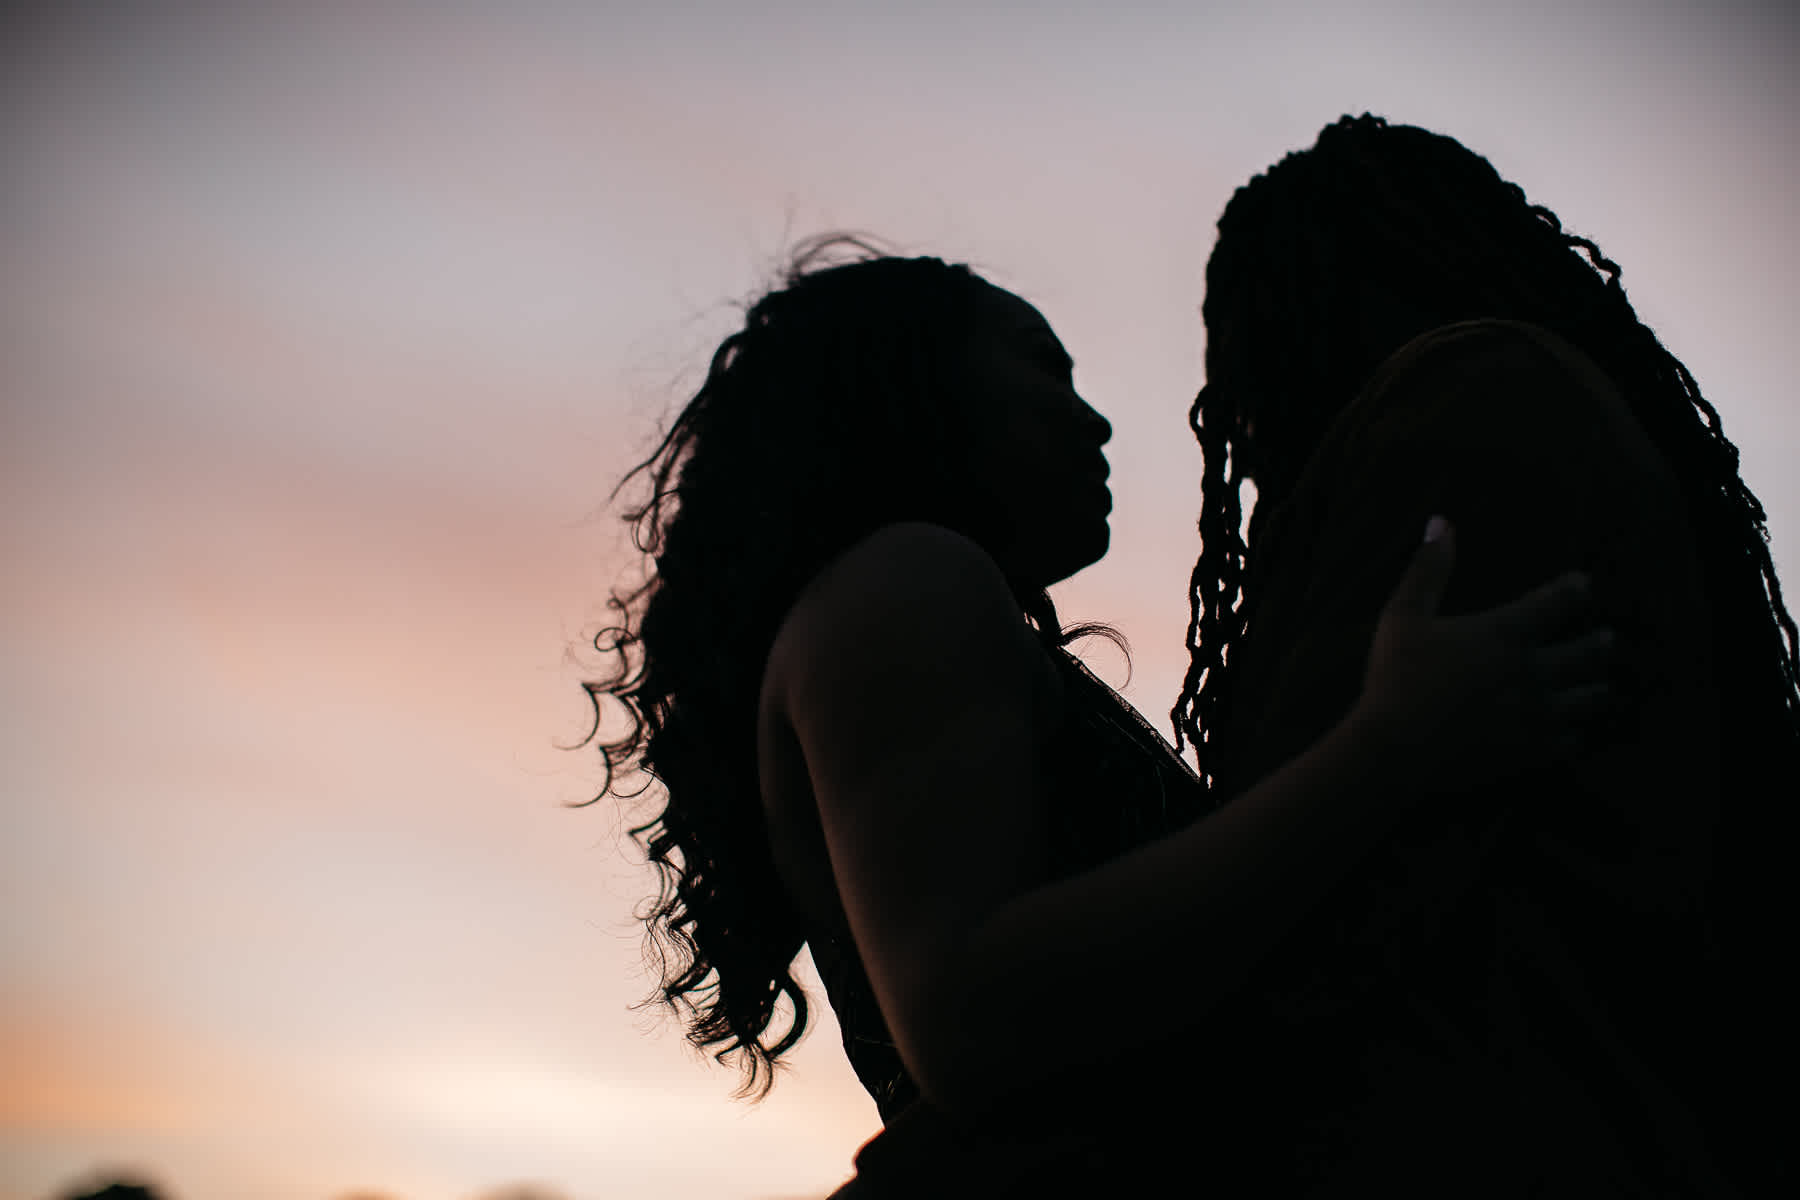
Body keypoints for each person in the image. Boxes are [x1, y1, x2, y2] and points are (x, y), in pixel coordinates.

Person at [582, 236, 1618, 1196]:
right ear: (913, 392)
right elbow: (971, 1018)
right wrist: (1388, 748)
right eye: (1044, 369)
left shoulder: (910, 607)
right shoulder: (908, 578)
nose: (1097, 420)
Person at [1177, 114, 1800, 1195]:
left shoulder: (1461, 412)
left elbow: (1312, 906)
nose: (1236, 403)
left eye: (1244, 340)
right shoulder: (1548, 417)